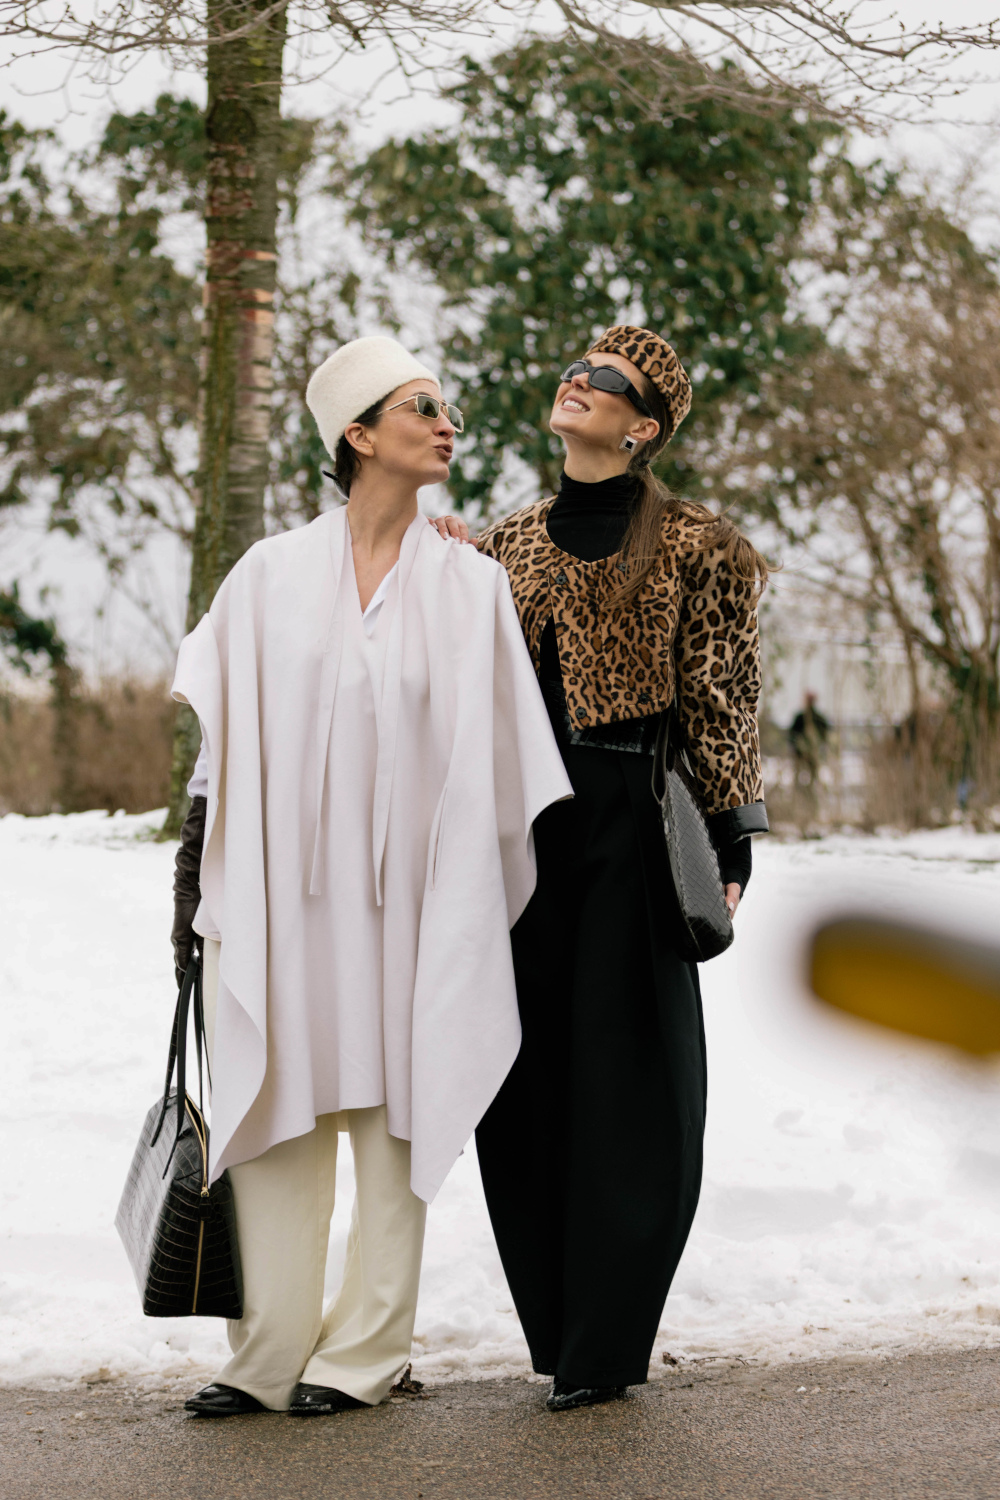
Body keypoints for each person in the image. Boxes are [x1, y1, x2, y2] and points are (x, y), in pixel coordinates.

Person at [170, 336, 572, 1418]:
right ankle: (266, 1352)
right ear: (358, 435)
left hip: (415, 899)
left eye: (446, 407)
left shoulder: (468, 580)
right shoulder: (267, 575)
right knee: (277, 1104)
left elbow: (502, 751)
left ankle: (365, 1352)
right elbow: (218, 742)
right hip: (286, 892)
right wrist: (195, 881)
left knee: (402, 1106)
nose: (447, 423)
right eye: (420, 407)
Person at [434, 324, 768, 1412]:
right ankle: (555, 1324)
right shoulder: (499, 545)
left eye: (606, 382)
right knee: (520, 1075)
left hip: (634, 812)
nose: (577, 382)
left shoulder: (700, 544)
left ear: (644, 426)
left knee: (636, 1082)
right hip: (521, 823)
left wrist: (730, 836)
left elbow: (722, 697)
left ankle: (606, 1340)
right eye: (575, 368)